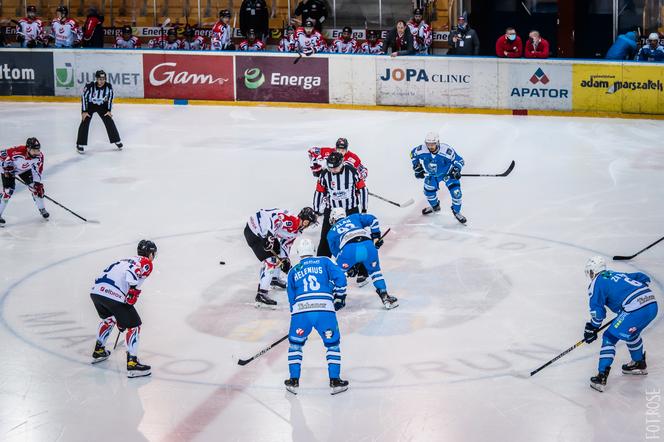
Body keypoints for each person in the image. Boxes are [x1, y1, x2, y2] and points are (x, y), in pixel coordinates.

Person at [582, 256, 658, 392]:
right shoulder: (614, 274)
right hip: (651, 304)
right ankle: (638, 363)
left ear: (593, 271)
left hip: (636, 310)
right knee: (631, 333)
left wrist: (592, 327)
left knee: (609, 337)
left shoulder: (596, 283)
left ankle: (601, 377)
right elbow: (640, 277)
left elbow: (597, 312)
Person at [284, 238, 349, 395]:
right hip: (324, 310)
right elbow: (340, 277)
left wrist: (296, 313)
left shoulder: (294, 270)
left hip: (301, 312)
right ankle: (335, 380)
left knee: (295, 346)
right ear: (313, 250)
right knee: (332, 344)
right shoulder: (324, 261)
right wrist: (339, 296)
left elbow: (291, 296)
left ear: (299, 253)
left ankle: (293, 381)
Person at [89, 240, 157, 378]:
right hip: (114, 294)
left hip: (96, 292)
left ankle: (99, 350)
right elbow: (132, 274)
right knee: (134, 326)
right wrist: (132, 290)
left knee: (110, 319)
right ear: (150, 253)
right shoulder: (146, 262)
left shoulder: (126, 259)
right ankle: (132, 364)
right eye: (153, 253)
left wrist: (121, 317)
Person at [244, 207, 318, 307]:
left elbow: (285, 245)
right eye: (310, 222)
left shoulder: (297, 231)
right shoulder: (291, 220)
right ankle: (261, 294)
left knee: (278, 253)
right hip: (254, 231)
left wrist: (285, 260)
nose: (310, 225)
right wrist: (269, 236)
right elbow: (272, 217)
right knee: (271, 261)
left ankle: (274, 278)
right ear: (305, 221)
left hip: (264, 234)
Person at [327, 208, 398, 310]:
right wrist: (375, 237)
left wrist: (350, 267)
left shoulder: (331, 232)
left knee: (337, 274)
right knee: (375, 272)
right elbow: (373, 219)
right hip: (368, 245)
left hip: (348, 249)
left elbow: (336, 253)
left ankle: (334, 298)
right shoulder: (354, 217)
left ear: (333, 218)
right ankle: (384, 295)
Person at [313, 151, 368, 258]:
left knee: (357, 236)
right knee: (326, 238)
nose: (332, 170)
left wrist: (364, 209)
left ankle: (361, 268)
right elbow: (318, 192)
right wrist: (315, 210)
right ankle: (323, 263)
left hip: (350, 210)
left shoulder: (352, 171)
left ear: (342, 163)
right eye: (330, 168)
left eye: (335, 167)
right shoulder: (324, 174)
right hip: (331, 211)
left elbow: (363, 190)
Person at [410, 131, 466, 223]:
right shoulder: (421, 150)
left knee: (456, 193)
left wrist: (456, 169)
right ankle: (435, 206)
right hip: (432, 175)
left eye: (433, 144)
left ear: (437, 142)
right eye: (428, 144)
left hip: (448, 174)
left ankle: (457, 212)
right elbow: (412, 154)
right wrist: (417, 167)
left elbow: (460, 160)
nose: (430, 146)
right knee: (428, 192)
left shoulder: (447, 151)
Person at [0, 138, 48, 225]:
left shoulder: (39, 156)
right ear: (28, 148)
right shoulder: (16, 152)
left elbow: (38, 170)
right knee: (7, 192)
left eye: (38, 149)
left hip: (24, 170)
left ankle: (42, 209)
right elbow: (1, 156)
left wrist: (37, 183)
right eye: (34, 150)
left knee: (37, 189)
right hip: (9, 171)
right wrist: (6, 167)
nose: (37, 152)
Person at [76, 70, 123, 154]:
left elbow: (110, 98)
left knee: (109, 120)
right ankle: (80, 144)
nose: (102, 81)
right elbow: (83, 98)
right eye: (100, 79)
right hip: (90, 105)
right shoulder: (90, 86)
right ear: (96, 79)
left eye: (103, 79)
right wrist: (84, 111)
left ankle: (116, 140)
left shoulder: (108, 86)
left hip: (102, 105)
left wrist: (109, 110)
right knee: (85, 120)